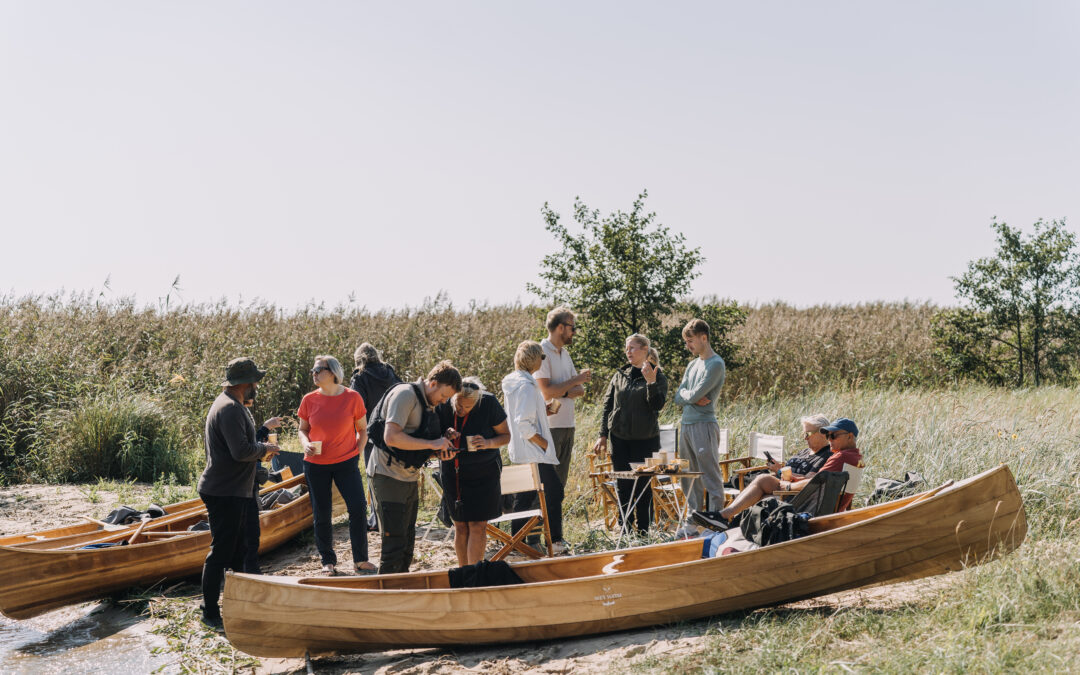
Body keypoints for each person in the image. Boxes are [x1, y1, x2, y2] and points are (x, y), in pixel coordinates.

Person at [196, 357, 279, 629]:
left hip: (235, 490)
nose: (257, 385)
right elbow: (241, 451)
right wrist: (266, 450)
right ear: (244, 383)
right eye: (254, 380)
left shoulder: (232, 404)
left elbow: (242, 449)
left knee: (241, 549)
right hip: (225, 491)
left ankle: (242, 606)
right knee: (221, 552)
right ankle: (209, 612)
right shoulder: (230, 409)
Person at [367, 360, 462, 573]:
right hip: (387, 475)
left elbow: (414, 441)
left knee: (408, 543)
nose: (443, 401)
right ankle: (388, 595)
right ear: (433, 383)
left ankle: (404, 590)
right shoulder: (406, 395)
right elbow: (391, 437)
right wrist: (432, 443)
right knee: (394, 545)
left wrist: (440, 448)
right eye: (443, 396)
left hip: (408, 477)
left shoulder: (428, 402)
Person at [696, 418, 865, 530]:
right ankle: (725, 518)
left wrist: (788, 485)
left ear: (850, 437)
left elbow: (814, 482)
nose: (829, 439)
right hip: (823, 504)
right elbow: (818, 481)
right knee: (763, 480)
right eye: (827, 435)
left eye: (833, 435)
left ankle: (726, 519)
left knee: (763, 488)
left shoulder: (840, 457)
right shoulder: (855, 458)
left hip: (810, 506)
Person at [297, 355, 376, 576]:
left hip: (346, 462)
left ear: (332, 372)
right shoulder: (308, 400)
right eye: (312, 370)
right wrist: (305, 443)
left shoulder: (353, 398)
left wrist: (356, 455)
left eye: (317, 369)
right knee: (322, 513)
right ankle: (328, 562)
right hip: (315, 464)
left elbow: (363, 431)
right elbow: (302, 429)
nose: (313, 373)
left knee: (358, 508)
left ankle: (360, 560)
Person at [593, 334, 668, 533]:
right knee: (623, 486)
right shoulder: (620, 375)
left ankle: (643, 531)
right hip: (620, 440)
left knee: (642, 488)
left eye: (633, 348)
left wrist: (651, 382)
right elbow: (607, 405)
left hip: (646, 441)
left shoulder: (657, 375)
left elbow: (657, 405)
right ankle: (625, 529)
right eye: (627, 348)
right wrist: (602, 435)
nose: (628, 352)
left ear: (645, 350)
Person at [435, 376, 511, 566]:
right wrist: (445, 434)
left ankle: (475, 572)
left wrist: (488, 443)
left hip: (484, 473)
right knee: (460, 526)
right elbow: (433, 436)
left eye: (467, 408)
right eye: (458, 406)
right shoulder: (444, 404)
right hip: (454, 473)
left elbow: (506, 436)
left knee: (478, 525)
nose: (461, 411)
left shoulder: (489, 403)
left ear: (477, 402)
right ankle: (464, 572)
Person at [534, 307, 591, 548]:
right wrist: (574, 384)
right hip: (550, 428)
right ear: (560, 328)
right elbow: (546, 391)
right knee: (548, 487)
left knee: (560, 485)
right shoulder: (541, 352)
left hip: (568, 426)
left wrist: (566, 389)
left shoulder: (564, 353)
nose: (574, 332)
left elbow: (579, 392)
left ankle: (555, 536)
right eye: (572, 327)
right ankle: (539, 537)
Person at [502, 341, 563, 554]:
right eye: (541, 357)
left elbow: (521, 416)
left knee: (525, 499)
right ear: (533, 358)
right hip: (535, 452)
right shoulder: (527, 386)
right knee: (555, 493)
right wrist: (544, 443)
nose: (542, 361)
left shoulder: (514, 383)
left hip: (521, 451)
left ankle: (516, 543)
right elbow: (523, 425)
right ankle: (555, 541)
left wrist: (542, 411)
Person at [673, 319, 728, 514]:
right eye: (686, 341)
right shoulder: (692, 365)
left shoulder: (716, 364)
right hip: (686, 425)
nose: (688, 346)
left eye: (690, 341)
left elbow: (691, 394)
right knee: (687, 475)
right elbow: (678, 396)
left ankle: (715, 520)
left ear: (703, 338)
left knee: (710, 476)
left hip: (704, 425)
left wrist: (690, 396)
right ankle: (693, 520)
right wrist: (691, 397)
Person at [349, 342, 401, 531]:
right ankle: (395, 516)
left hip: (371, 433)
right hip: (395, 431)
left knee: (374, 477)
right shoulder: (391, 372)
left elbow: (356, 407)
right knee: (394, 475)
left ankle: (377, 518)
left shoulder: (360, 377)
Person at [243, 409, 283, 574]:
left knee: (252, 533)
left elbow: (251, 445)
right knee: (249, 533)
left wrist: (265, 429)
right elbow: (243, 449)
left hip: (249, 483)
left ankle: (251, 572)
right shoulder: (233, 411)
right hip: (241, 485)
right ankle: (249, 574)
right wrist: (262, 448)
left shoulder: (240, 409)